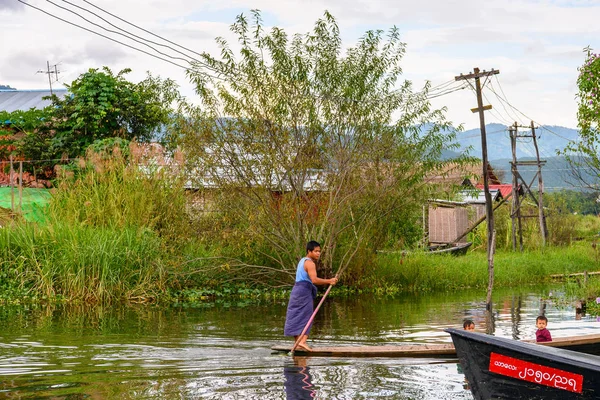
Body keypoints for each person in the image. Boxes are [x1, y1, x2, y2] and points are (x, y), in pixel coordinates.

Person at [284, 241, 338, 351]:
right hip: (303, 291)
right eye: (316, 251)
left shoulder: (302, 261)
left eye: (319, 251)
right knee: (307, 315)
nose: (318, 253)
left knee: (296, 315)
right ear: (309, 251)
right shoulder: (310, 263)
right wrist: (329, 281)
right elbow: (314, 280)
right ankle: (303, 341)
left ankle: (298, 342)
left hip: (297, 290)